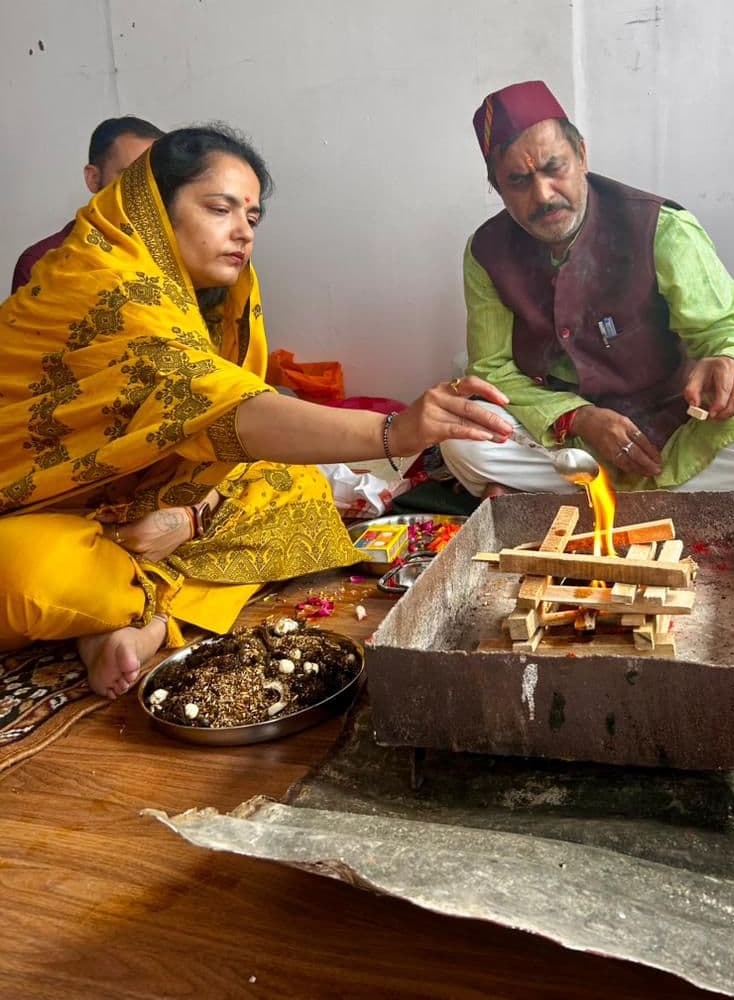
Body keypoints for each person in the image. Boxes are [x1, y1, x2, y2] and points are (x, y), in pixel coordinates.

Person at [0, 126, 511, 699]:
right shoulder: (104, 285)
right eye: (220, 209)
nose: (242, 231)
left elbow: (222, 430)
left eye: (252, 217)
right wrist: (393, 431)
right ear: (151, 207)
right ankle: (145, 609)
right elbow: (222, 409)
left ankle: (136, 622)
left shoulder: (212, 294)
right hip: (42, 511)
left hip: (157, 506)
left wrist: (188, 515)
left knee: (297, 489)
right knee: (26, 573)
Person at [440, 80, 734, 497]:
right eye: (518, 182)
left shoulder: (661, 227)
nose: (543, 195)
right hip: (563, 432)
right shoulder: (486, 251)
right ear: (497, 188)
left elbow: (729, 334)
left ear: (582, 156)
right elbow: (491, 371)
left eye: (554, 168)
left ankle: (561, 500)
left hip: (668, 428)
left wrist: (730, 363)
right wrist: (580, 419)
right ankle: (653, 501)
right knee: (461, 439)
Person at [10, 115, 162, 293]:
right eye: (130, 177)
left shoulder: (181, 254)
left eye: (156, 178)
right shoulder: (41, 263)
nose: (147, 190)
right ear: (93, 178)